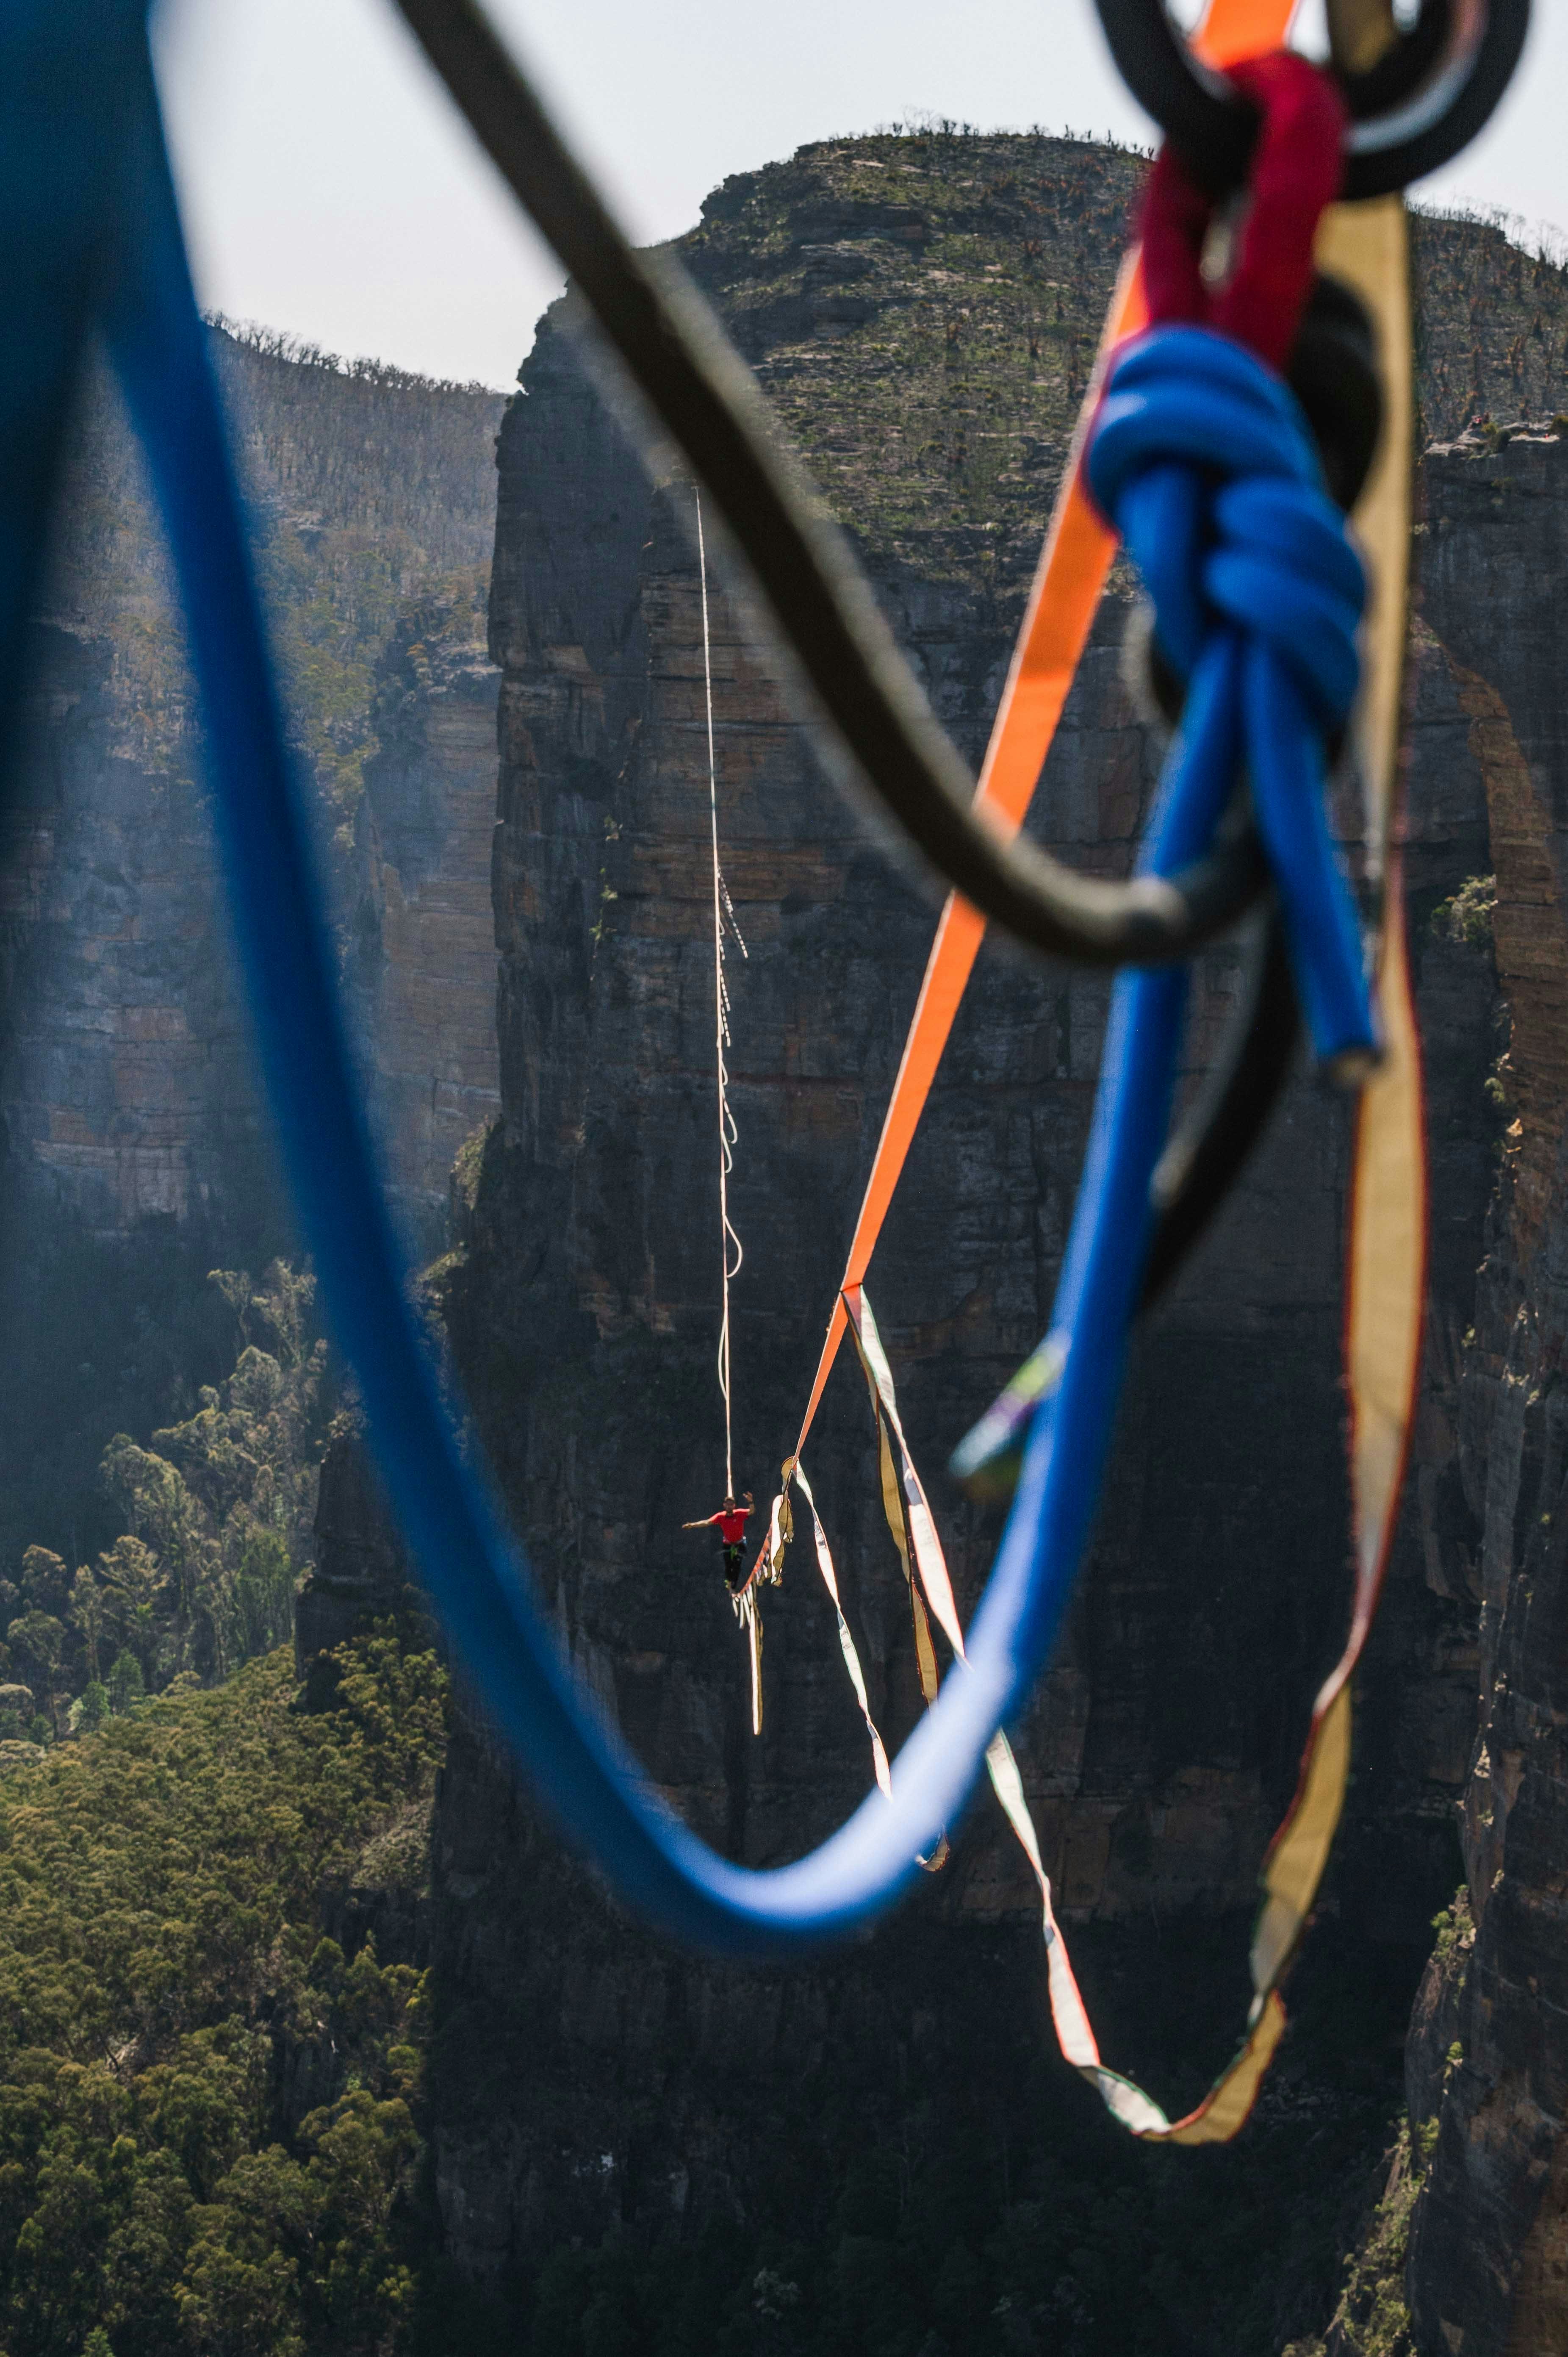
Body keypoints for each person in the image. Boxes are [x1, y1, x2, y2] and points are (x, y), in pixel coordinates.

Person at [684, 1492, 754, 1592]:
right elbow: (707, 1522)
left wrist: (751, 1501)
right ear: (724, 1505)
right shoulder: (720, 1517)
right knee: (729, 1565)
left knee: (737, 1565)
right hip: (728, 1544)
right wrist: (693, 1525)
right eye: (728, 1504)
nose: (730, 1506)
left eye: (731, 1505)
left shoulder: (739, 1514)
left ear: (734, 1506)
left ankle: (733, 1586)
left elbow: (751, 1511)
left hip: (740, 1543)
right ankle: (730, 1583)